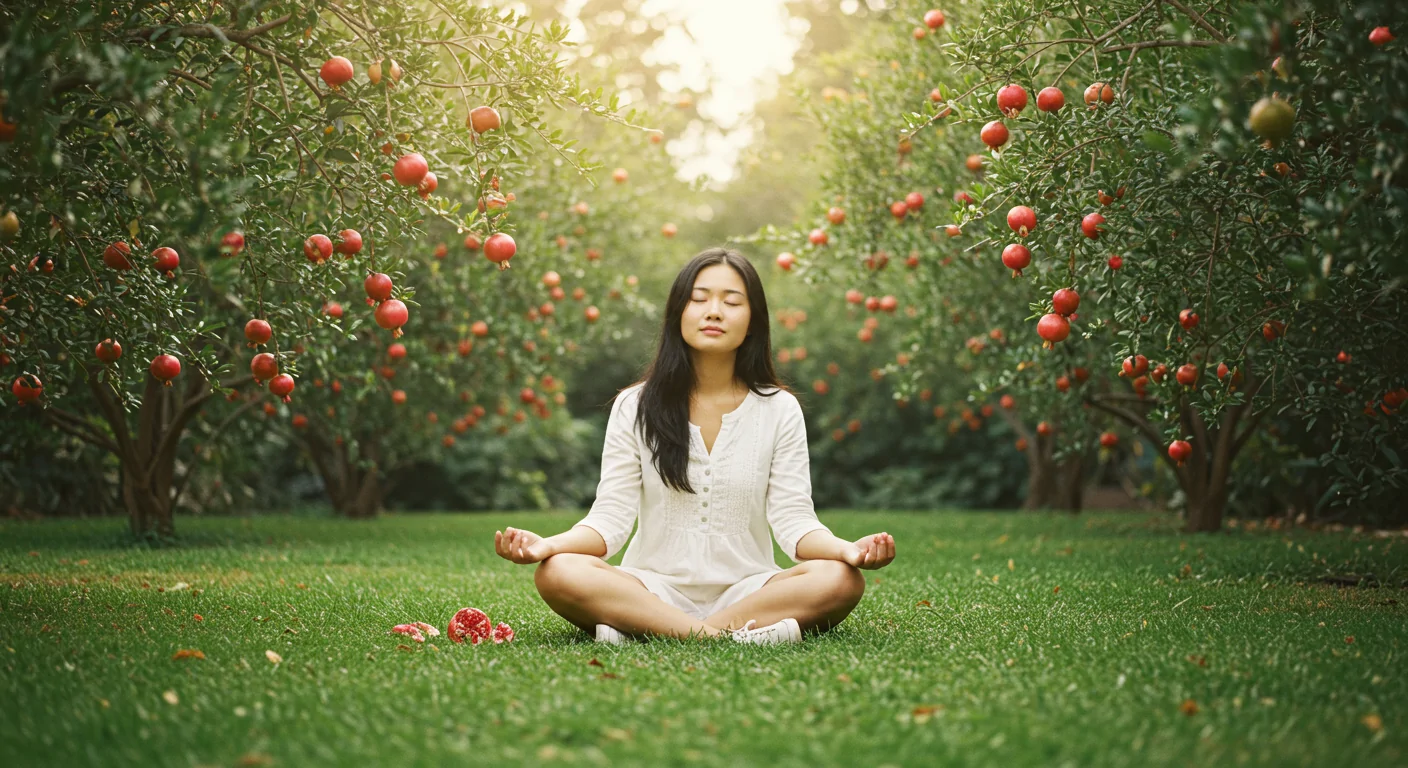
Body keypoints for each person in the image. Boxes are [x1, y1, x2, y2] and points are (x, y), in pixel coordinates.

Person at [493, 247, 896, 644]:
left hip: (751, 590)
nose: (714, 311)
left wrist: (847, 551)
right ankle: (723, 636)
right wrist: (548, 545)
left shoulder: (780, 409)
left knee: (840, 579)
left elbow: (794, 522)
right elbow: (610, 520)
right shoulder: (634, 405)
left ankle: (647, 629)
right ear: (678, 315)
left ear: (753, 321)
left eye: (732, 301)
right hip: (649, 588)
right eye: (699, 299)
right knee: (558, 570)